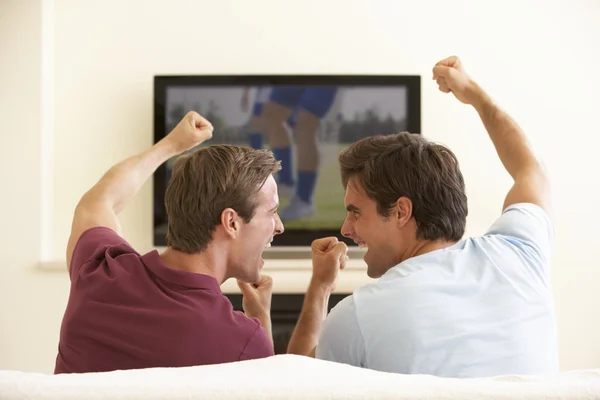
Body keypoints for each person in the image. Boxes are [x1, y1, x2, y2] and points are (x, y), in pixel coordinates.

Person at [287, 56, 559, 378]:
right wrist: (474, 95)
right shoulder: (520, 254)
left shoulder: (358, 316)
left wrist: (320, 286)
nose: (346, 229)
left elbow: (294, 381)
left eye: (355, 212)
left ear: (401, 211)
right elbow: (532, 169)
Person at [55, 111, 285, 374]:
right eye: (272, 212)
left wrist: (172, 144)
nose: (279, 226)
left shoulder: (98, 274)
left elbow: (99, 200)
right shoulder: (243, 342)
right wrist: (260, 320)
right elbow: (268, 383)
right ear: (231, 222)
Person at [261, 86, 343, 220]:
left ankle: (304, 200)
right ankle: (286, 182)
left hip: (322, 71)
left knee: (305, 121)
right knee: (272, 114)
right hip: (295, 67)